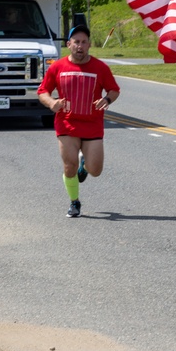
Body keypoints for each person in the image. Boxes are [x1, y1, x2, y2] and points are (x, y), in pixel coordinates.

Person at [38, 25, 121, 218]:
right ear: (69, 44)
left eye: (84, 42)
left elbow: (114, 90)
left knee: (96, 170)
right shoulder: (58, 67)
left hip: (92, 124)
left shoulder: (100, 68)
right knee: (69, 165)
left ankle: (85, 164)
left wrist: (107, 99)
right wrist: (52, 103)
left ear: (89, 45)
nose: (80, 46)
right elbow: (43, 91)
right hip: (67, 123)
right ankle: (74, 202)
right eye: (76, 42)